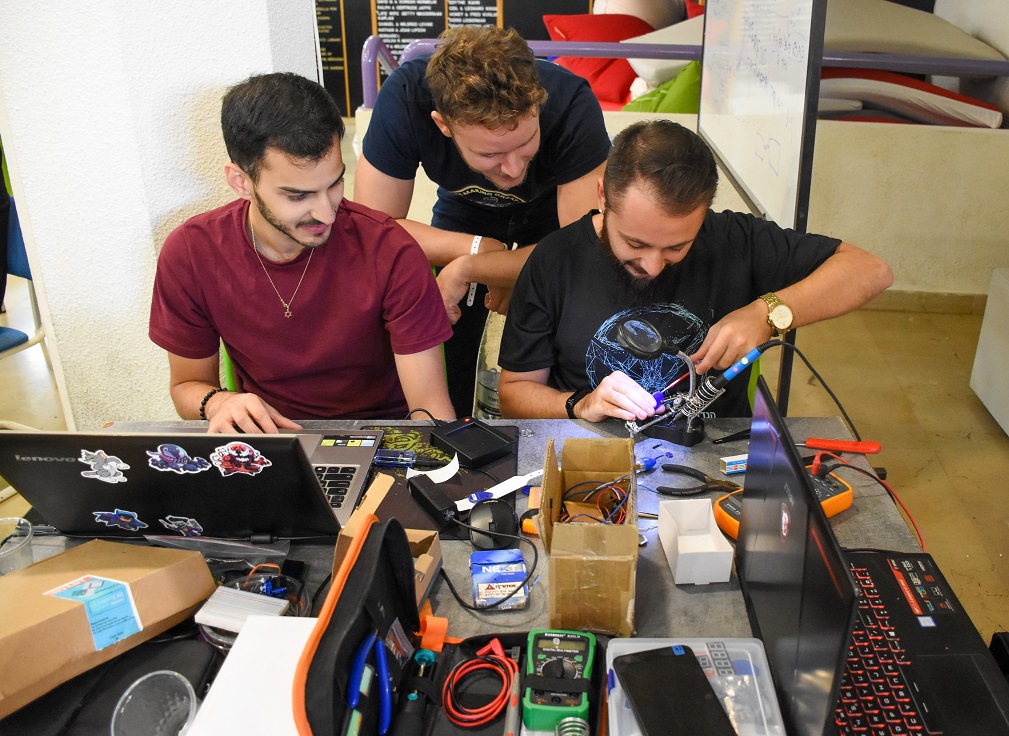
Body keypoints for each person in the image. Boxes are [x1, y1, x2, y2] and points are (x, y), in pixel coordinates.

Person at [498, 120, 894, 422]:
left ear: (703, 214)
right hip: (595, 458)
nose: (653, 266)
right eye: (635, 243)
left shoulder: (734, 241)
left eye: (676, 246)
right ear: (603, 196)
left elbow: (870, 270)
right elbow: (514, 394)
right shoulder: (556, 259)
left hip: (715, 458)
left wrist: (766, 313)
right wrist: (580, 404)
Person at [149, 72, 455, 433]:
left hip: (383, 436)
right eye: (298, 196)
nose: (327, 213)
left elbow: (430, 412)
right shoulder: (191, 253)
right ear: (241, 182)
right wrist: (220, 402)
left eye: (335, 183)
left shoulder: (390, 249)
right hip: (272, 439)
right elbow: (187, 385)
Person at [354, 26, 611, 416]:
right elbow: (374, 228)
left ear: (538, 105)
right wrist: (474, 249)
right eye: (490, 154)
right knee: (446, 331)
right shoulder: (405, 98)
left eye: (525, 144)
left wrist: (479, 267)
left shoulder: (571, 103)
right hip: (464, 212)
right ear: (443, 125)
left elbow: (583, 247)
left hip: (552, 217)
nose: (513, 169)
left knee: (557, 336)